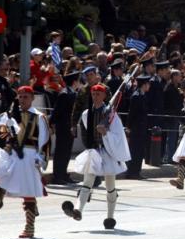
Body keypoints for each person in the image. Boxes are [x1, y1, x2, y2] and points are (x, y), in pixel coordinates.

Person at [0, 85, 49, 239]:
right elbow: (1, 131)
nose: (22, 100)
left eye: (25, 97)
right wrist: (6, 126)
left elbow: (45, 141)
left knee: (28, 192)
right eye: (20, 97)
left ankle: (30, 227)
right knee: (0, 181)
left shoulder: (39, 117)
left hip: (28, 155)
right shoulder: (13, 115)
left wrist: (41, 159)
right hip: (12, 154)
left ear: (32, 98)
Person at [62, 84, 131, 229]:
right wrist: (90, 148)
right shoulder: (87, 114)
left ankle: (110, 217)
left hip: (108, 152)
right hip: (94, 151)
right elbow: (86, 134)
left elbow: (119, 135)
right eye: (93, 94)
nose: (95, 97)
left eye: (98, 94)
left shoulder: (111, 114)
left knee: (110, 186)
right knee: (87, 181)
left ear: (104, 96)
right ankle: (78, 210)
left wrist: (106, 133)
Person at [50, 71, 81, 184]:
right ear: (74, 81)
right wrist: (52, 123)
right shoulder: (64, 93)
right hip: (63, 127)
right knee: (61, 151)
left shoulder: (73, 93)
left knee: (67, 151)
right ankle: (57, 176)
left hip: (70, 127)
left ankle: (63, 173)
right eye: (78, 80)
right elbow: (57, 111)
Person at [125, 75, 151, 179]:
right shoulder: (136, 96)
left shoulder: (143, 95)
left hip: (142, 127)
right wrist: (129, 127)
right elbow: (132, 113)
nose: (149, 86)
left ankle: (137, 171)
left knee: (140, 151)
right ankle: (132, 172)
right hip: (136, 127)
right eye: (147, 84)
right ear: (144, 85)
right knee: (135, 150)